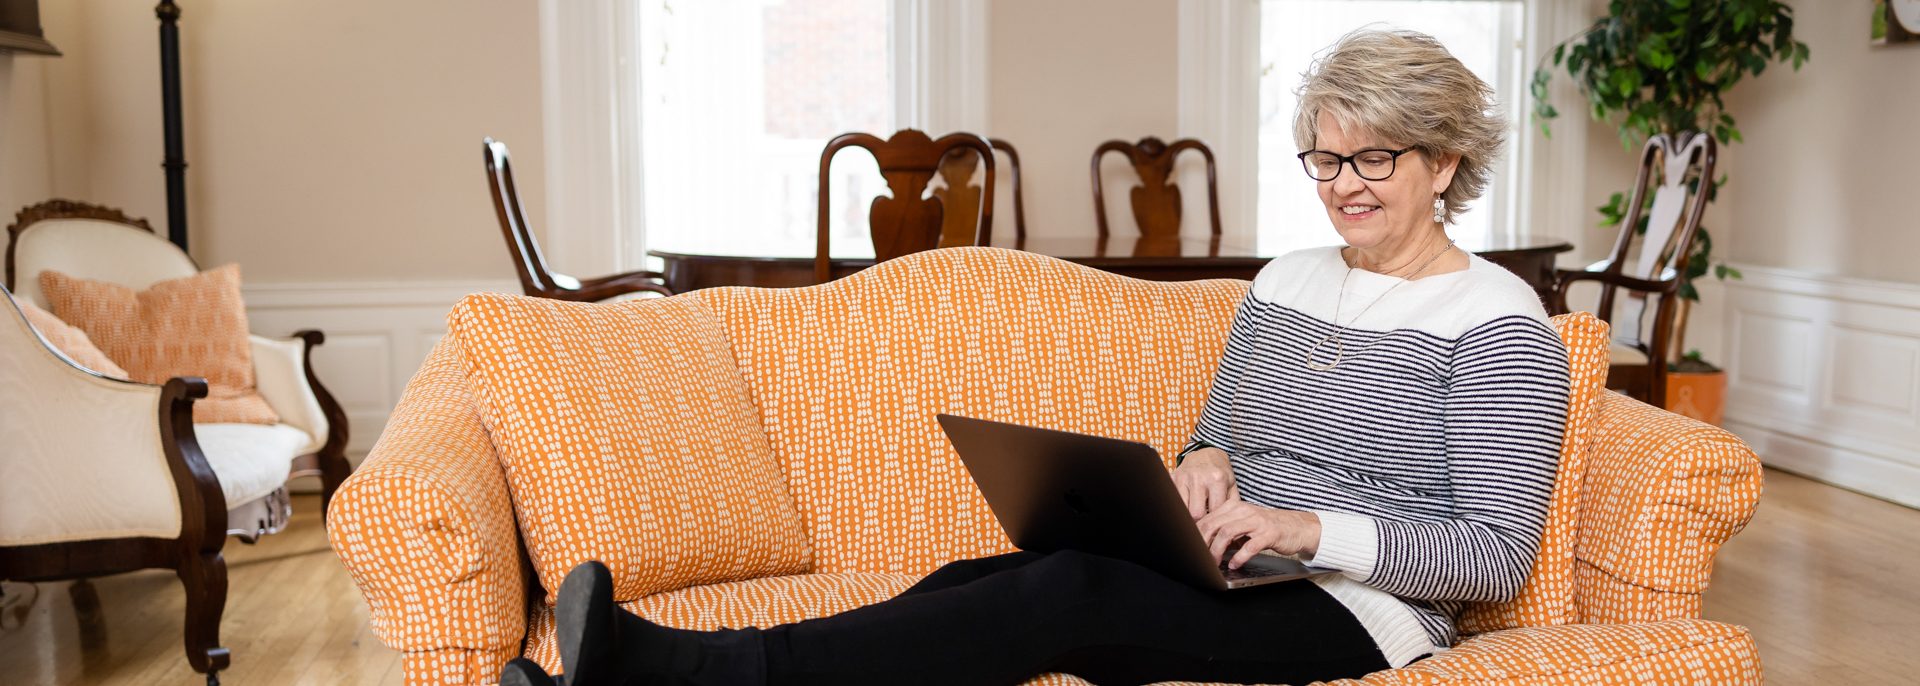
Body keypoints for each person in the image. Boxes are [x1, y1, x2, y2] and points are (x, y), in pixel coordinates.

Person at [499, 28, 1571, 686]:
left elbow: (1491, 555)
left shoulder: (1498, 322)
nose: (1343, 183)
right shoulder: (1287, 277)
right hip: (1240, 567)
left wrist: (1302, 525)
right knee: (985, 577)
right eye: (1324, 157)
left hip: (1358, 606)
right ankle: (658, 673)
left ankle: (682, 669)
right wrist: (1205, 462)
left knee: (1063, 600)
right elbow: (1223, 428)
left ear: (1445, 162)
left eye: (1372, 157)